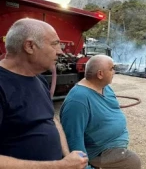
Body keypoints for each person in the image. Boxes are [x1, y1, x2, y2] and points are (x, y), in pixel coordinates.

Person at [0, 18, 89, 169]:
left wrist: (67, 155)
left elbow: (50, 119)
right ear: (30, 46)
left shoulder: (39, 79)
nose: (60, 52)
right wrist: (59, 165)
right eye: (54, 44)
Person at [60, 54, 141, 169]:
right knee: (132, 162)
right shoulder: (78, 101)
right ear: (100, 74)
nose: (114, 72)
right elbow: (73, 139)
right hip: (98, 151)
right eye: (111, 69)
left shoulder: (105, 87)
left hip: (111, 144)